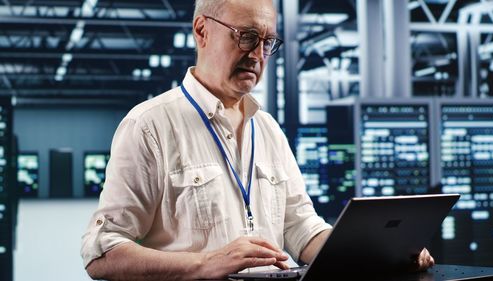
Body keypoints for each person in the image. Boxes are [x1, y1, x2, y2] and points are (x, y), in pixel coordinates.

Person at [81, 0, 435, 280]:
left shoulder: (267, 130)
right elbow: (102, 253)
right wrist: (205, 264)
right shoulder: (149, 126)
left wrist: (379, 252)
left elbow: (302, 229)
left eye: (267, 42)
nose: (257, 55)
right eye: (246, 36)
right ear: (202, 30)